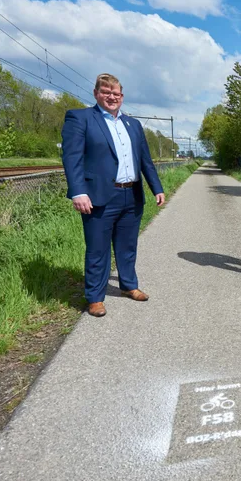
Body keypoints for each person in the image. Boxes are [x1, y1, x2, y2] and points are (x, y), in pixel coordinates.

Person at [61, 73, 165, 317]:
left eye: (116, 93)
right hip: (99, 196)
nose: (112, 97)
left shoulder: (133, 124)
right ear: (96, 94)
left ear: (122, 96)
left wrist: (157, 188)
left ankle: (129, 285)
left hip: (132, 194)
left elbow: (145, 161)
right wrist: (78, 192)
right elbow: (72, 158)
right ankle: (95, 297)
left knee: (128, 246)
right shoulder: (81, 118)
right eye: (106, 92)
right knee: (98, 249)